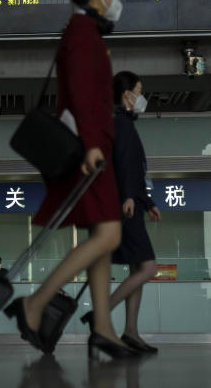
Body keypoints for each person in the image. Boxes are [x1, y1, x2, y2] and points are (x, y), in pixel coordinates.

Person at [5, 0, 137, 360]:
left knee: (100, 237)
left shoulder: (85, 32)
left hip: (91, 146)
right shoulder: (82, 33)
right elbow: (81, 92)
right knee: (109, 236)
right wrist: (95, 145)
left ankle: (102, 327)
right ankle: (35, 303)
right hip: (87, 150)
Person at [81, 70, 162, 355]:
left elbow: (134, 172)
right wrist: (130, 197)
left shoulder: (123, 124)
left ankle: (130, 332)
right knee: (149, 267)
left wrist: (147, 202)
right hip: (125, 208)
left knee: (139, 267)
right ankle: (100, 318)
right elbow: (125, 167)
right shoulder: (122, 124)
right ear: (127, 95)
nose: (142, 98)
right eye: (139, 92)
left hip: (131, 205)